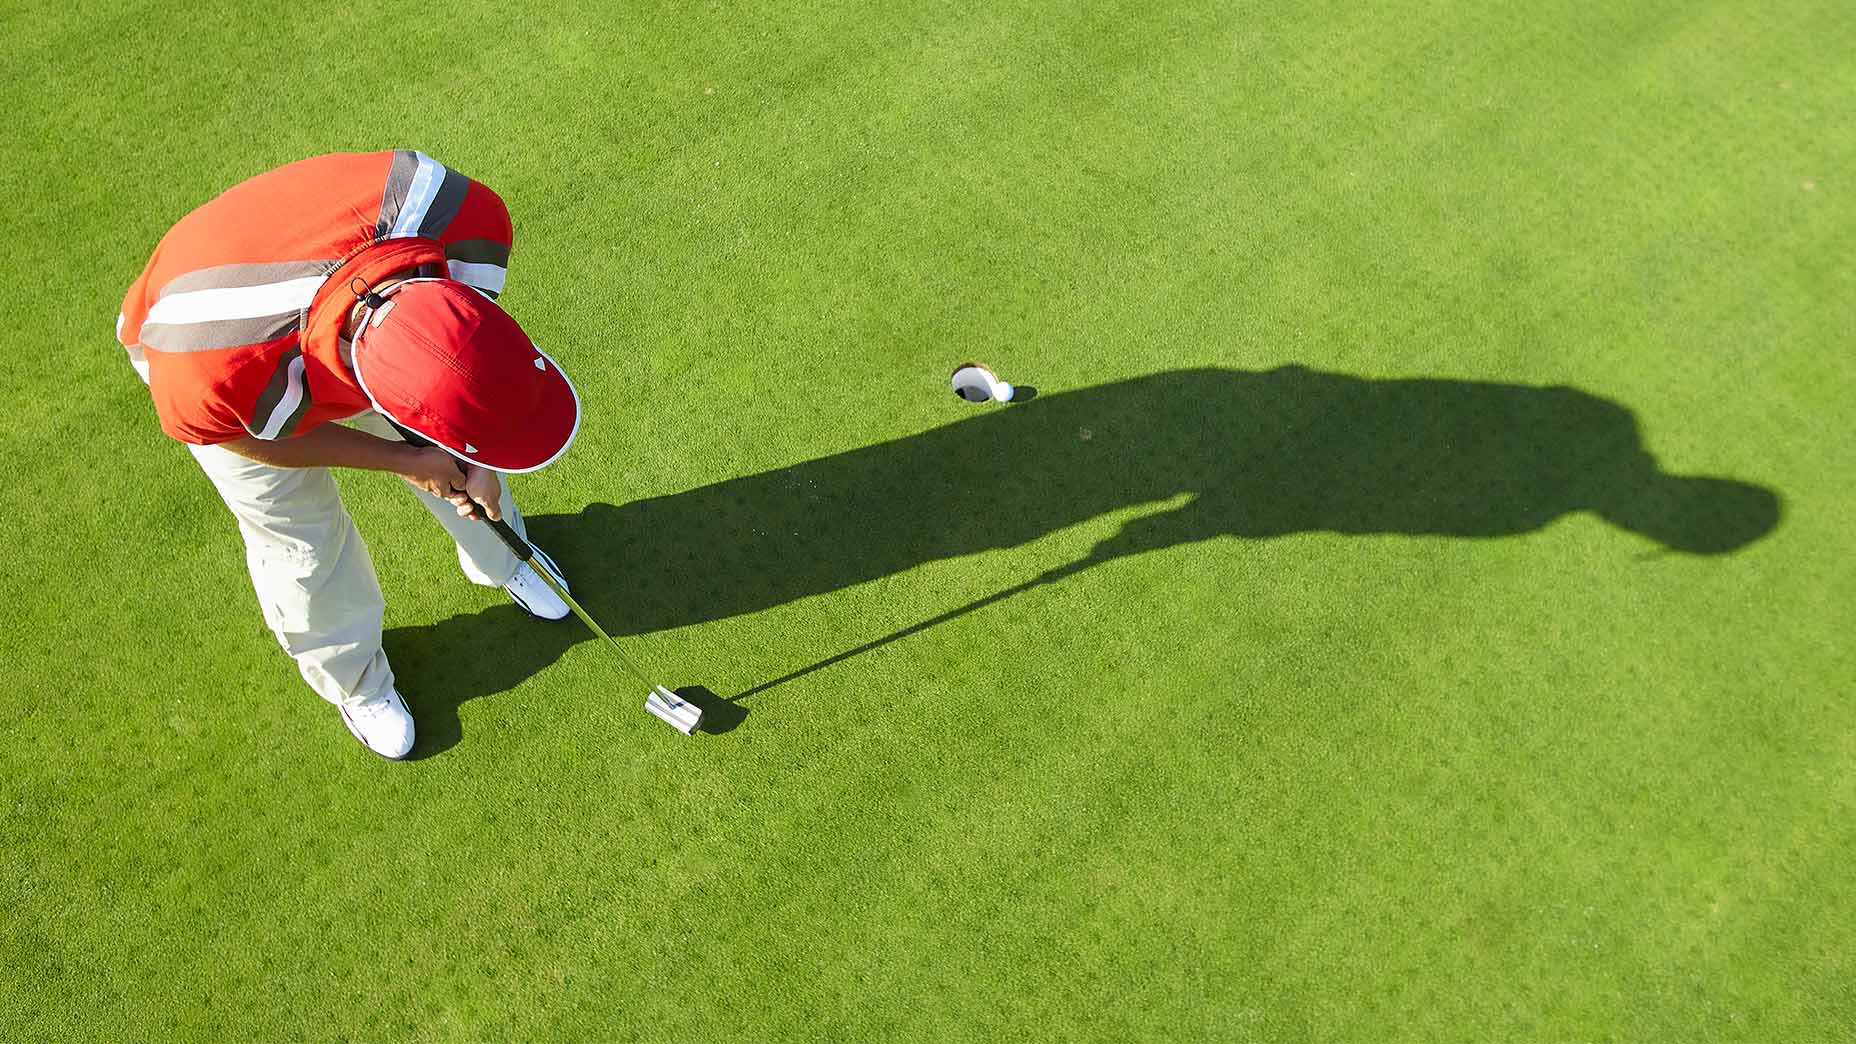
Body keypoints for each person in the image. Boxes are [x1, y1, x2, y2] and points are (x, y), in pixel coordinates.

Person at [115, 150, 580, 760]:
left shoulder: (463, 216)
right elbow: (243, 435)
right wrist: (409, 461)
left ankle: (502, 556)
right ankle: (356, 680)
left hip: (342, 290)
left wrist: (478, 458)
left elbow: (475, 359)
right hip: (226, 339)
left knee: (461, 449)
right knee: (302, 541)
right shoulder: (211, 367)